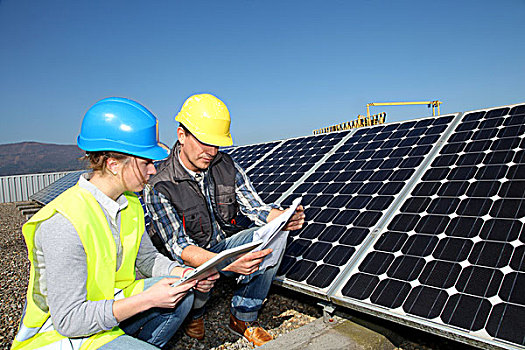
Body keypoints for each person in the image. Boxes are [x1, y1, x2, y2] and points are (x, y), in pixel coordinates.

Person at [12, 97, 217, 350]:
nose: (153, 170)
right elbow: (69, 321)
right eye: (146, 162)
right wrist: (148, 300)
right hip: (64, 337)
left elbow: (148, 259)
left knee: (181, 292)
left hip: (108, 311)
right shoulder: (63, 223)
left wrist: (185, 273)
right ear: (113, 165)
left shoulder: (130, 203)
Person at [144, 93, 305, 347]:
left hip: (222, 247)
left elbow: (257, 210)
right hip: (186, 264)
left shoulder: (225, 165)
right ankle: (194, 314)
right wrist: (227, 264)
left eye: (217, 144)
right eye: (204, 142)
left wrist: (284, 217)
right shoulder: (160, 184)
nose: (211, 152)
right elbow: (180, 247)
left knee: (275, 233)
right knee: (197, 279)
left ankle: (243, 315)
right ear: (181, 135)